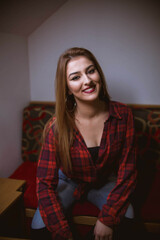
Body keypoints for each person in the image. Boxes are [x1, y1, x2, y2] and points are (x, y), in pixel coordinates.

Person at [31, 47, 137, 240]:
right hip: (68, 180)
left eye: (90, 71)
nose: (87, 81)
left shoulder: (123, 115)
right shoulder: (56, 126)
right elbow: (44, 183)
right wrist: (63, 232)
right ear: (67, 88)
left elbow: (128, 172)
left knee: (128, 218)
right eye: (75, 77)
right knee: (39, 227)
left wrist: (106, 219)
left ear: (98, 73)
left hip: (105, 180)